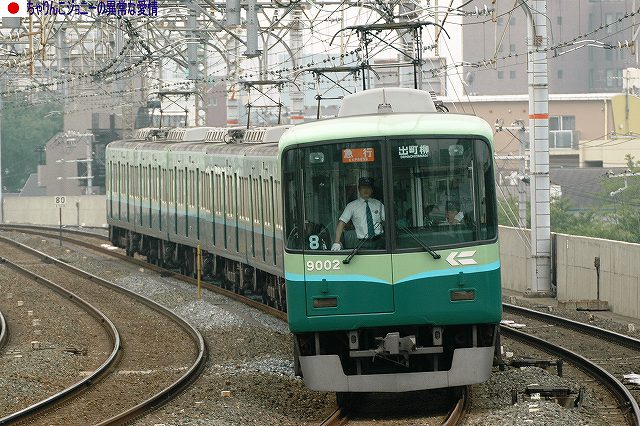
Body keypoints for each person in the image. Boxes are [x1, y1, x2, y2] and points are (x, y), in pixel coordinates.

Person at [331, 177, 384, 250]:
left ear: (372, 190)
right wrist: (337, 242)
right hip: (362, 243)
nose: (366, 190)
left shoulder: (378, 204)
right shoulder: (351, 206)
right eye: (363, 188)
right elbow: (341, 224)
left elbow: (388, 221)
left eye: (368, 187)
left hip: (379, 242)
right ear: (359, 189)